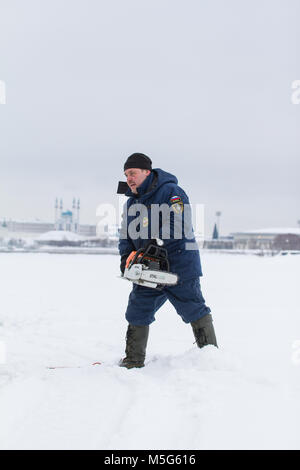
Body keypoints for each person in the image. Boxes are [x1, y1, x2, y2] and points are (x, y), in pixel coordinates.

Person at [118, 153, 217, 369]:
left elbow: (178, 224)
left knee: (194, 309)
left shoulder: (172, 192)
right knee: (137, 309)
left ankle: (211, 360)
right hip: (147, 269)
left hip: (179, 266)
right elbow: (125, 235)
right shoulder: (130, 203)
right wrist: (127, 258)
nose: (129, 179)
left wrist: (151, 247)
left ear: (147, 171)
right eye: (126, 175)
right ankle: (133, 361)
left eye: (132, 173)